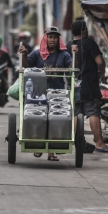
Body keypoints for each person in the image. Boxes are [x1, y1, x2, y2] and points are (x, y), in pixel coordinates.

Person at [18, 26, 77, 161]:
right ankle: (38, 146)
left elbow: (71, 69)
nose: (52, 40)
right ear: (46, 38)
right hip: (38, 93)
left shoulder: (64, 55)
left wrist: (75, 55)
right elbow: (27, 66)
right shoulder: (37, 53)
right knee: (39, 118)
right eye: (50, 37)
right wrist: (25, 55)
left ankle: (52, 151)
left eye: (55, 37)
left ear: (58, 39)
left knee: (54, 119)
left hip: (57, 94)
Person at [67, 19, 108, 153]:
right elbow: (99, 61)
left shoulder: (69, 45)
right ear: (83, 31)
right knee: (93, 112)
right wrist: (102, 73)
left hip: (74, 85)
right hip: (89, 85)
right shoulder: (89, 43)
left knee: (76, 113)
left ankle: (74, 142)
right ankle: (99, 143)